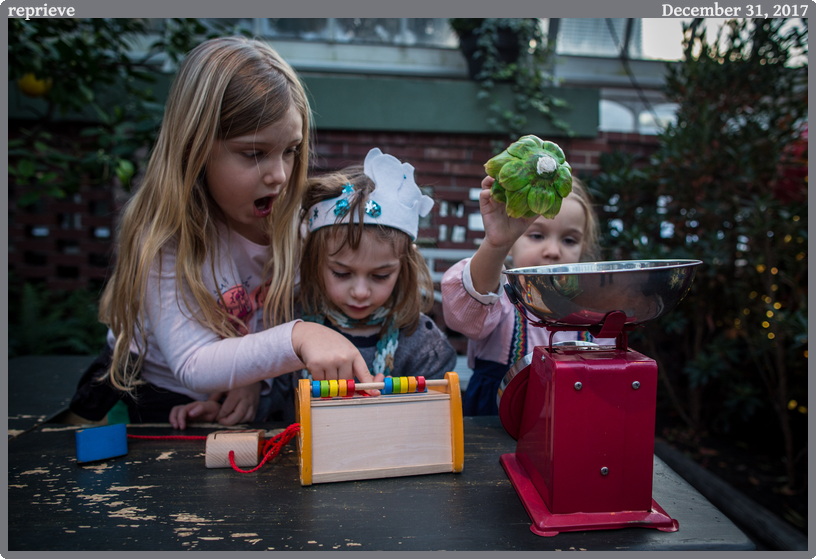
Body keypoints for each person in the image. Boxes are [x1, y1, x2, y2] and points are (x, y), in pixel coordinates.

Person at [69, 37, 379, 430]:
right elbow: (192, 362)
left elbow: (272, 310)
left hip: (230, 377)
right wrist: (299, 338)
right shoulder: (166, 236)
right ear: (195, 148)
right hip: (152, 379)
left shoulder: (289, 219)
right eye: (253, 154)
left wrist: (254, 378)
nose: (280, 174)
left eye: (291, 150)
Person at [442, 175, 610, 415]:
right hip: (493, 428)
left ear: (583, 247)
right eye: (537, 235)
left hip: (570, 425)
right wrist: (495, 244)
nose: (553, 251)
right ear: (512, 240)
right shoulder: (499, 295)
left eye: (569, 240)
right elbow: (464, 318)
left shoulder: (594, 313)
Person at [298, 147, 458, 384]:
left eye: (381, 276)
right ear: (315, 264)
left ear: (403, 268)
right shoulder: (294, 331)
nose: (360, 292)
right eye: (341, 273)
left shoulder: (423, 344)